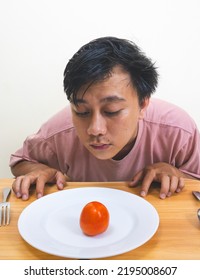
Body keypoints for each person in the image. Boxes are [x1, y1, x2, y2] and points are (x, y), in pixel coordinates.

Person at [10, 36, 200, 201]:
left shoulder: (177, 130)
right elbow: (19, 161)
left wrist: (176, 174)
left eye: (111, 110)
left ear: (143, 104)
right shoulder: (59, 131)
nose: (95, 129)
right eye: (82, 111)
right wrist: (37, 170)